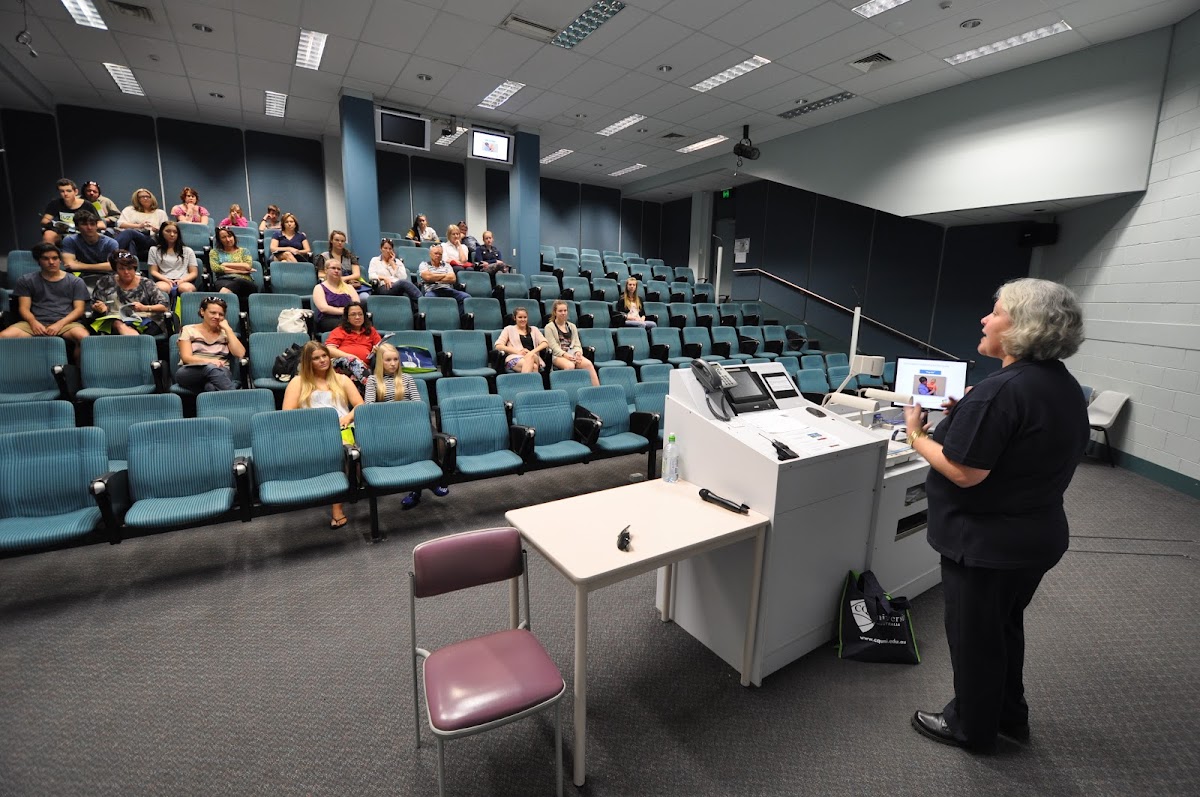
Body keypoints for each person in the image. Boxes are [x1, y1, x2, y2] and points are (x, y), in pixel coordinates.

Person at [904, 278, 1089, 753]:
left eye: (997, 311)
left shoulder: (1001, 391)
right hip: (1034, 538)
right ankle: (1009, 716)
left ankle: (971, 726)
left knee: (974, 640)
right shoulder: (1059, 384)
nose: (985, 319)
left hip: (987, 545)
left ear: (1022, 326)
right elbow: (1015, 447)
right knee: (1002, 630)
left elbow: (965, 473)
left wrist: (917, 437)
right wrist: (966, 417)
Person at [282, 341, 362, 529]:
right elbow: (287, 413)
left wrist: (348, 417)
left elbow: (360, 405)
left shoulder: (342, 379)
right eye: (316, 358)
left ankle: (343, 497)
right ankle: (339, 503)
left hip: (343, 427)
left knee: (350, 444)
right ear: (308, 362)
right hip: (312, 430)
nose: (322, 360)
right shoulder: (298, 382)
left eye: (324, 356)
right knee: (341, 449)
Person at [0, 242, 89, 360]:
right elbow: (23, 308)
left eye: (55, 258)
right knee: (3, 337)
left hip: (66, 323)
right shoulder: (26, 280)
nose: (51, 262)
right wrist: (33, 322)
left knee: (84, 338)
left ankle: (79, 375)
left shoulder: (75, 282)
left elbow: (79, 310)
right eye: (46, 259)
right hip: (35, 322)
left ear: (60, 260)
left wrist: (59, 324)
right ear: (39, 261)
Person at [89, 250, 170, 336]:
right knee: (117, 324)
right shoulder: (105, 282)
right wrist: (99, 307)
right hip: (114, 321)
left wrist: (145, 308)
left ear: (134, 268)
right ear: (115, 269)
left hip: (144, 321)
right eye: (121, 269)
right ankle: (136, 342)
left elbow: (164, 306)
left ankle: (133, 342)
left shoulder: (147, 284)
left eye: (129, 268)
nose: (126, 272)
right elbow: (94, 303)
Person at [175, 296, 245, 392]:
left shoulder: (226, 333)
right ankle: (239, 399)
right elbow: (186, 358)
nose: (217, 317)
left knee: (211, 387)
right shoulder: (188, 329)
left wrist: (228, 329)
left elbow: (240, 353)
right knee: (210, 368)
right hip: (191, 371)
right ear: (202, 312)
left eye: (221, 314)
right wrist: (209, 362)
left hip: (221, 371)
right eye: (213, 313)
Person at [545, 299, 599, 386]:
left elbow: (577, 344)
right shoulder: (549, 327)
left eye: (565, 310)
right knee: (570, 366)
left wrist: (578, 352)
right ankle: (570, 390)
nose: (563, 313)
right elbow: (553, 347)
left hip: (571, 353)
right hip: (558, 355)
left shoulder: (572, 326)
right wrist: (565, 355)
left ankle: (597, 390)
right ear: (555, 312)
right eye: (560, 311)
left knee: (588, 364)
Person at [325, 304, 381, 387]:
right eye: (353, 314)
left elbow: (382, 346)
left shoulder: (371, 331)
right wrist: (351, 357)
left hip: (362, 367)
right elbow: (329, 349)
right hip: (341, 364)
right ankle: (373, 387)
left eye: (360, 314)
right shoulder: (339, 331)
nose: (357, 317)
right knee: (352, 361)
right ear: (347, 318)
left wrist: (377, 350)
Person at [61, 209, 119, 284]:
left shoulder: (110, 242)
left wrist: (80, 266)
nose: (89, 227)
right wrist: (102, 266)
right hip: (79, 278)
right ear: (77, 227)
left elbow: (113, 266)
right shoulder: (70, 240)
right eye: (84, 224)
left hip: (106, 277)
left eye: (92, 224)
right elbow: (69, 265)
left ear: (96, 226)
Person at [148, 221, 199, 296]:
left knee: (186, 288)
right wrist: (166, 280)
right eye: (168, 231)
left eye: (175, 232)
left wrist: (182, 280)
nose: (172, 234)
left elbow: (194, 272)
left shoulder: (188, 250)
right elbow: (153, 271)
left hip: (184, 280)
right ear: (161, 232)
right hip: (164, 279)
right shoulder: (154, 250)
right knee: (161, 288)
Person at [368, 238, 422, 308]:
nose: (388, 251)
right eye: (385, 248)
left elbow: (403, 277)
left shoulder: (398, 262)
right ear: (381, 249)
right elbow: (371, 275)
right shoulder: (375, 260)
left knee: (407, 297)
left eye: (390, 249)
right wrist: (384, 278)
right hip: (383, 287)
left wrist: (393, 264)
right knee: (403, 283)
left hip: (398, 286)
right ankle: (422, 301)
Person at [116, 188, 170, 258]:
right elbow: (120, 224)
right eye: (142, 197)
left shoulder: (160, 213)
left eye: (147, 196)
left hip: (150, 239)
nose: (145, 198)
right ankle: (133, 265)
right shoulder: (129, 210)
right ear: (137, 199)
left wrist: (158, 230)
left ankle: (110, 254)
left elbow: (167, 229)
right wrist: (139, 226)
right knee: (130, 242)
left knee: (129, 232)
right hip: (132, 237)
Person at [313, 230, 368, 300]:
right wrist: (335, 279)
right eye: (337, 240)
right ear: (331, 241)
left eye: (342, 241)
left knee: (364, 297)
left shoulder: (351, 256)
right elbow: (320, 275)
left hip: (349, 284)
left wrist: (343, 279)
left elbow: (356, 274)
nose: (340, 243)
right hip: (331, 285)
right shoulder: (323, 256)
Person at [209, 226, 258, 301]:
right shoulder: (214, 252)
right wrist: (241, 271)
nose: (228, 240)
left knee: (238, 281)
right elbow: (216, 268)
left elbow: (247, 266)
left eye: (229, 236)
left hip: (245, 281)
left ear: (234, 236)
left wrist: (225, 264)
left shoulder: (244, 251)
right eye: (224, 237)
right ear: (219, 240)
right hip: (223, 280)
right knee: (226, 286)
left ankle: (219, 302)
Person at [494, 306, 547, 374]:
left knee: (531, 357)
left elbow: (545, 343)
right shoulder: (508, 329)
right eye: (520, 317)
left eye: (525, 317)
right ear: (514, 318)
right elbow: (498, 346)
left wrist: (531, 352)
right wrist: (518, 352)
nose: (523, 319)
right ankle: (531, 384)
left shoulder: (534, 329)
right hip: (515, 358)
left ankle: (523, 383)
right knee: (534, 367)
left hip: (534, 357)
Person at [419, 244, 470, 314]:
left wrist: (434, 278)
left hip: (447, 290)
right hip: (432, 290)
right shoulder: (424, 264)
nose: (438, 255)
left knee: (466, 297)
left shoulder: (446, 265)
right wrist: (445, 275)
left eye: (440, 254)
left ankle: (459, 319)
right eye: (436, 253)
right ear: (430, 254)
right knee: (430, 298)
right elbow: (428, 277)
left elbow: (453, 279)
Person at [312, 259, 360, 333]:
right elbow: (323, 308)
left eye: (339, 269)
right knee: (344, 326)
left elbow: (356, 304)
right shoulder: (319, 287)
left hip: (348, 317)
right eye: (333, 268)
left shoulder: (349, 287)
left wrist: (348, 313)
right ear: (326, 270)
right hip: (328, 319)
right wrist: (344, 311)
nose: (336, 271)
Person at [40, 178, 88, 244]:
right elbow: (45, 221)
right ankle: (50, 254)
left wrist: (83, 226)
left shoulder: (86, 204)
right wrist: (55, 225)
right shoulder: (55, 204)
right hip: (62, 232)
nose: (65, 194)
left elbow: (101, 224)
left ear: (76, 192)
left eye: (69, 191)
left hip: (81, 232)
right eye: (62, 191)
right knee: (48, 234)